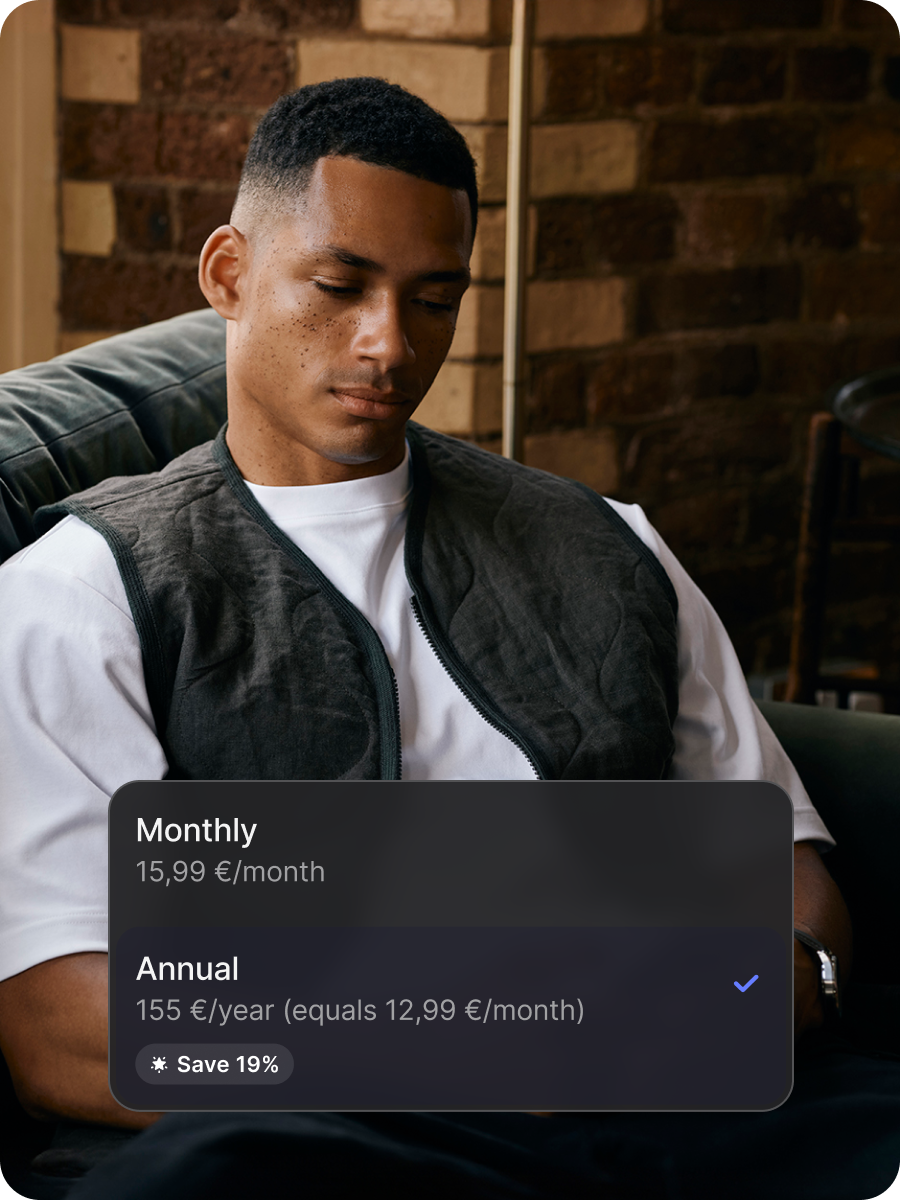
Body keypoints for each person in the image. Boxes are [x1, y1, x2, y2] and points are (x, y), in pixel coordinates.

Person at [0, 78, 874, 1198]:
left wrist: (781, 983)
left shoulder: (607, 543)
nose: (389, 344)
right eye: (339, 287)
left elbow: (785, 875)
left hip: (681, 1098)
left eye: (433, 299)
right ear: (228, 273)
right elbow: (61, 1027)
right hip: (335, 1131)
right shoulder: (81, 592)